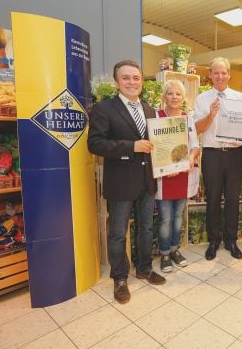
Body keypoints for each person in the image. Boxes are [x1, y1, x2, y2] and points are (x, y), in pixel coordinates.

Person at [88, 60, 165, 304]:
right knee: (119, 232)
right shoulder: (104, 109)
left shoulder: (150, 110)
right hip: (121, 181)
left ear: (142, 81)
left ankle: (143, 268)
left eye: (136, 78)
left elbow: (158, 145)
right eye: (126, 78)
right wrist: (131, 147)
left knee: (146, 228)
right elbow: (95, 144)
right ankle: (120, 277)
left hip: (147, 180)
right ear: (117, 82)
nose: (132, 82)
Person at [194, 57, 242, 260]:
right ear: (210, 75)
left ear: (229, 75)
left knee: (233, 199)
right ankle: (213, 241)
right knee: (213, 199)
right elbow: (197, 129)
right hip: (212, 154)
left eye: (224, 72)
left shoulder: (240, 97)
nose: (220, 76)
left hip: (234, 155)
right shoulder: (202, 99)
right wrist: (211, 115)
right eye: (216, 72)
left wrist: (241, 140)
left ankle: (231, 240)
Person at [155, 80, 200, 272]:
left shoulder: (188, 118)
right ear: (164, 97)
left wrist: (190, 158)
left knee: (178, 217)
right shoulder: (156, 117)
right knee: (165, 218)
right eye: (170, 93)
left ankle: (175, 250)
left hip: (183, 175)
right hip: (164, 178)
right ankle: (164, 253)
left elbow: (196, 146)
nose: (174, 97)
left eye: (178, 94)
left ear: (183, 98)